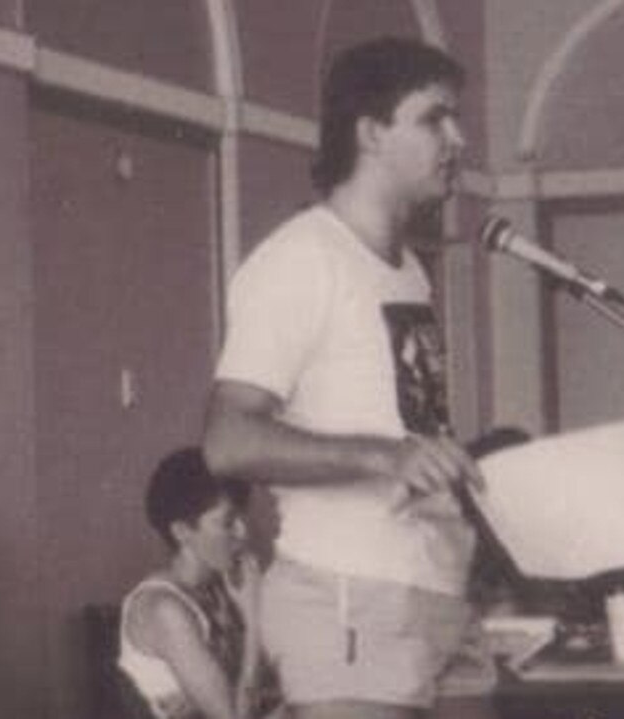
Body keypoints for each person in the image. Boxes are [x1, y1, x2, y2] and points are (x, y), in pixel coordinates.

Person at [201, 36, 485, 719]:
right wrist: (384, 455)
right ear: (370, 133)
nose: (458, 137)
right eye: (433, 118)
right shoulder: (301, 260)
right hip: (348, 597)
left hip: (432, 591)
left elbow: (407, 428)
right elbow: (227, 440)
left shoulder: (406, 268)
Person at [118, 448, 276, 719]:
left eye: (242, 516)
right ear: (182, 532)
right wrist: (253, 619)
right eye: (227, 522)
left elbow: (266, 692)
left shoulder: (219, 591)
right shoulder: (164, 609)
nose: (243, 531)